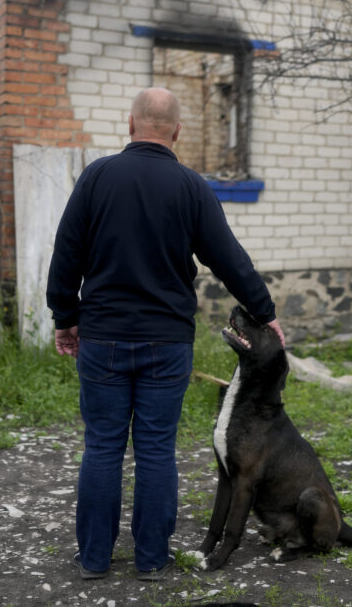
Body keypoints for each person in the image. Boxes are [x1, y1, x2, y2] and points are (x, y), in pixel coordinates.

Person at [46, 87, 284, 581]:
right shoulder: (191, 187)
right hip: (167, 342)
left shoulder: (96, 178)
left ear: (130, 126)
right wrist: (265, 311)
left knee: (103, 446)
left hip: (103, 337)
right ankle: (151, 559)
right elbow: (229, 259)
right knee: (156, 448)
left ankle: (94, 558)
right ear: (177, 132)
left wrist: (64, 317)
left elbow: (66, 254)